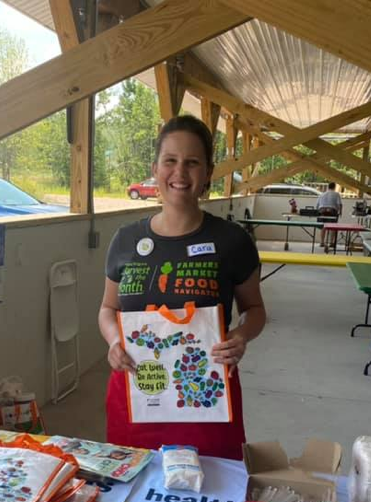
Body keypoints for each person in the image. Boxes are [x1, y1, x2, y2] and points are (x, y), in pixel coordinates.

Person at [99, 115, 266, 460]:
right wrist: (115, 340)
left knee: (210, 495)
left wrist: (240, 336)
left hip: (205, 397)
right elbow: (107, 309)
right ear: (156, 168)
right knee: (133, 493)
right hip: (137, 391)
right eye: (170, 161)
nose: (180, 173)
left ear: (207, 173)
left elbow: (256, 310)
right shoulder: (126, 239)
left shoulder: (232, 240)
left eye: (192, 163)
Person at [316, 182, 342, 251]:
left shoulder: (322, 194)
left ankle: (322, 242)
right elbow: (339, 204)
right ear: (334, 187)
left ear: (328, 187)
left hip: (322, 211)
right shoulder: (336, 194)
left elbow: (317, 205)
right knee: (333, 227)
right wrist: (339, 212)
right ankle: (331, 242)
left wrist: (317, 213)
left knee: (323, 227)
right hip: (332, 211)